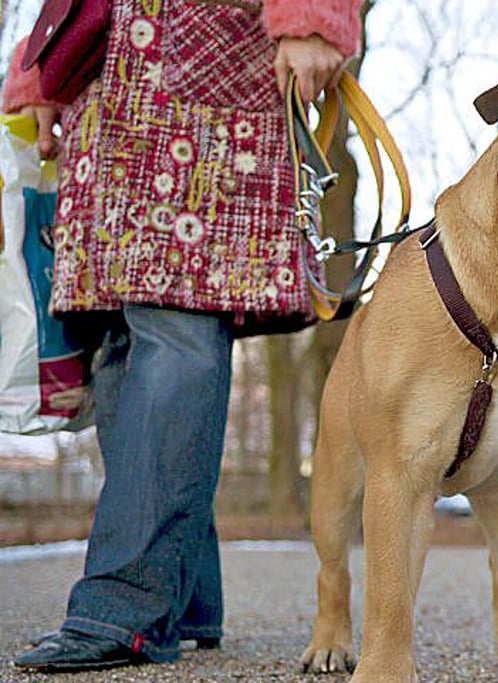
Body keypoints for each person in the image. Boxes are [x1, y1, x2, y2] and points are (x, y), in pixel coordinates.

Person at [4, 0, 364, 672]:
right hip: (104, 93)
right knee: (117, 344)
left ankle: (125, 605)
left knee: (176, 323)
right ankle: (185, 595)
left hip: (207, 76)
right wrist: (38, 74)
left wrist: (316, 15)